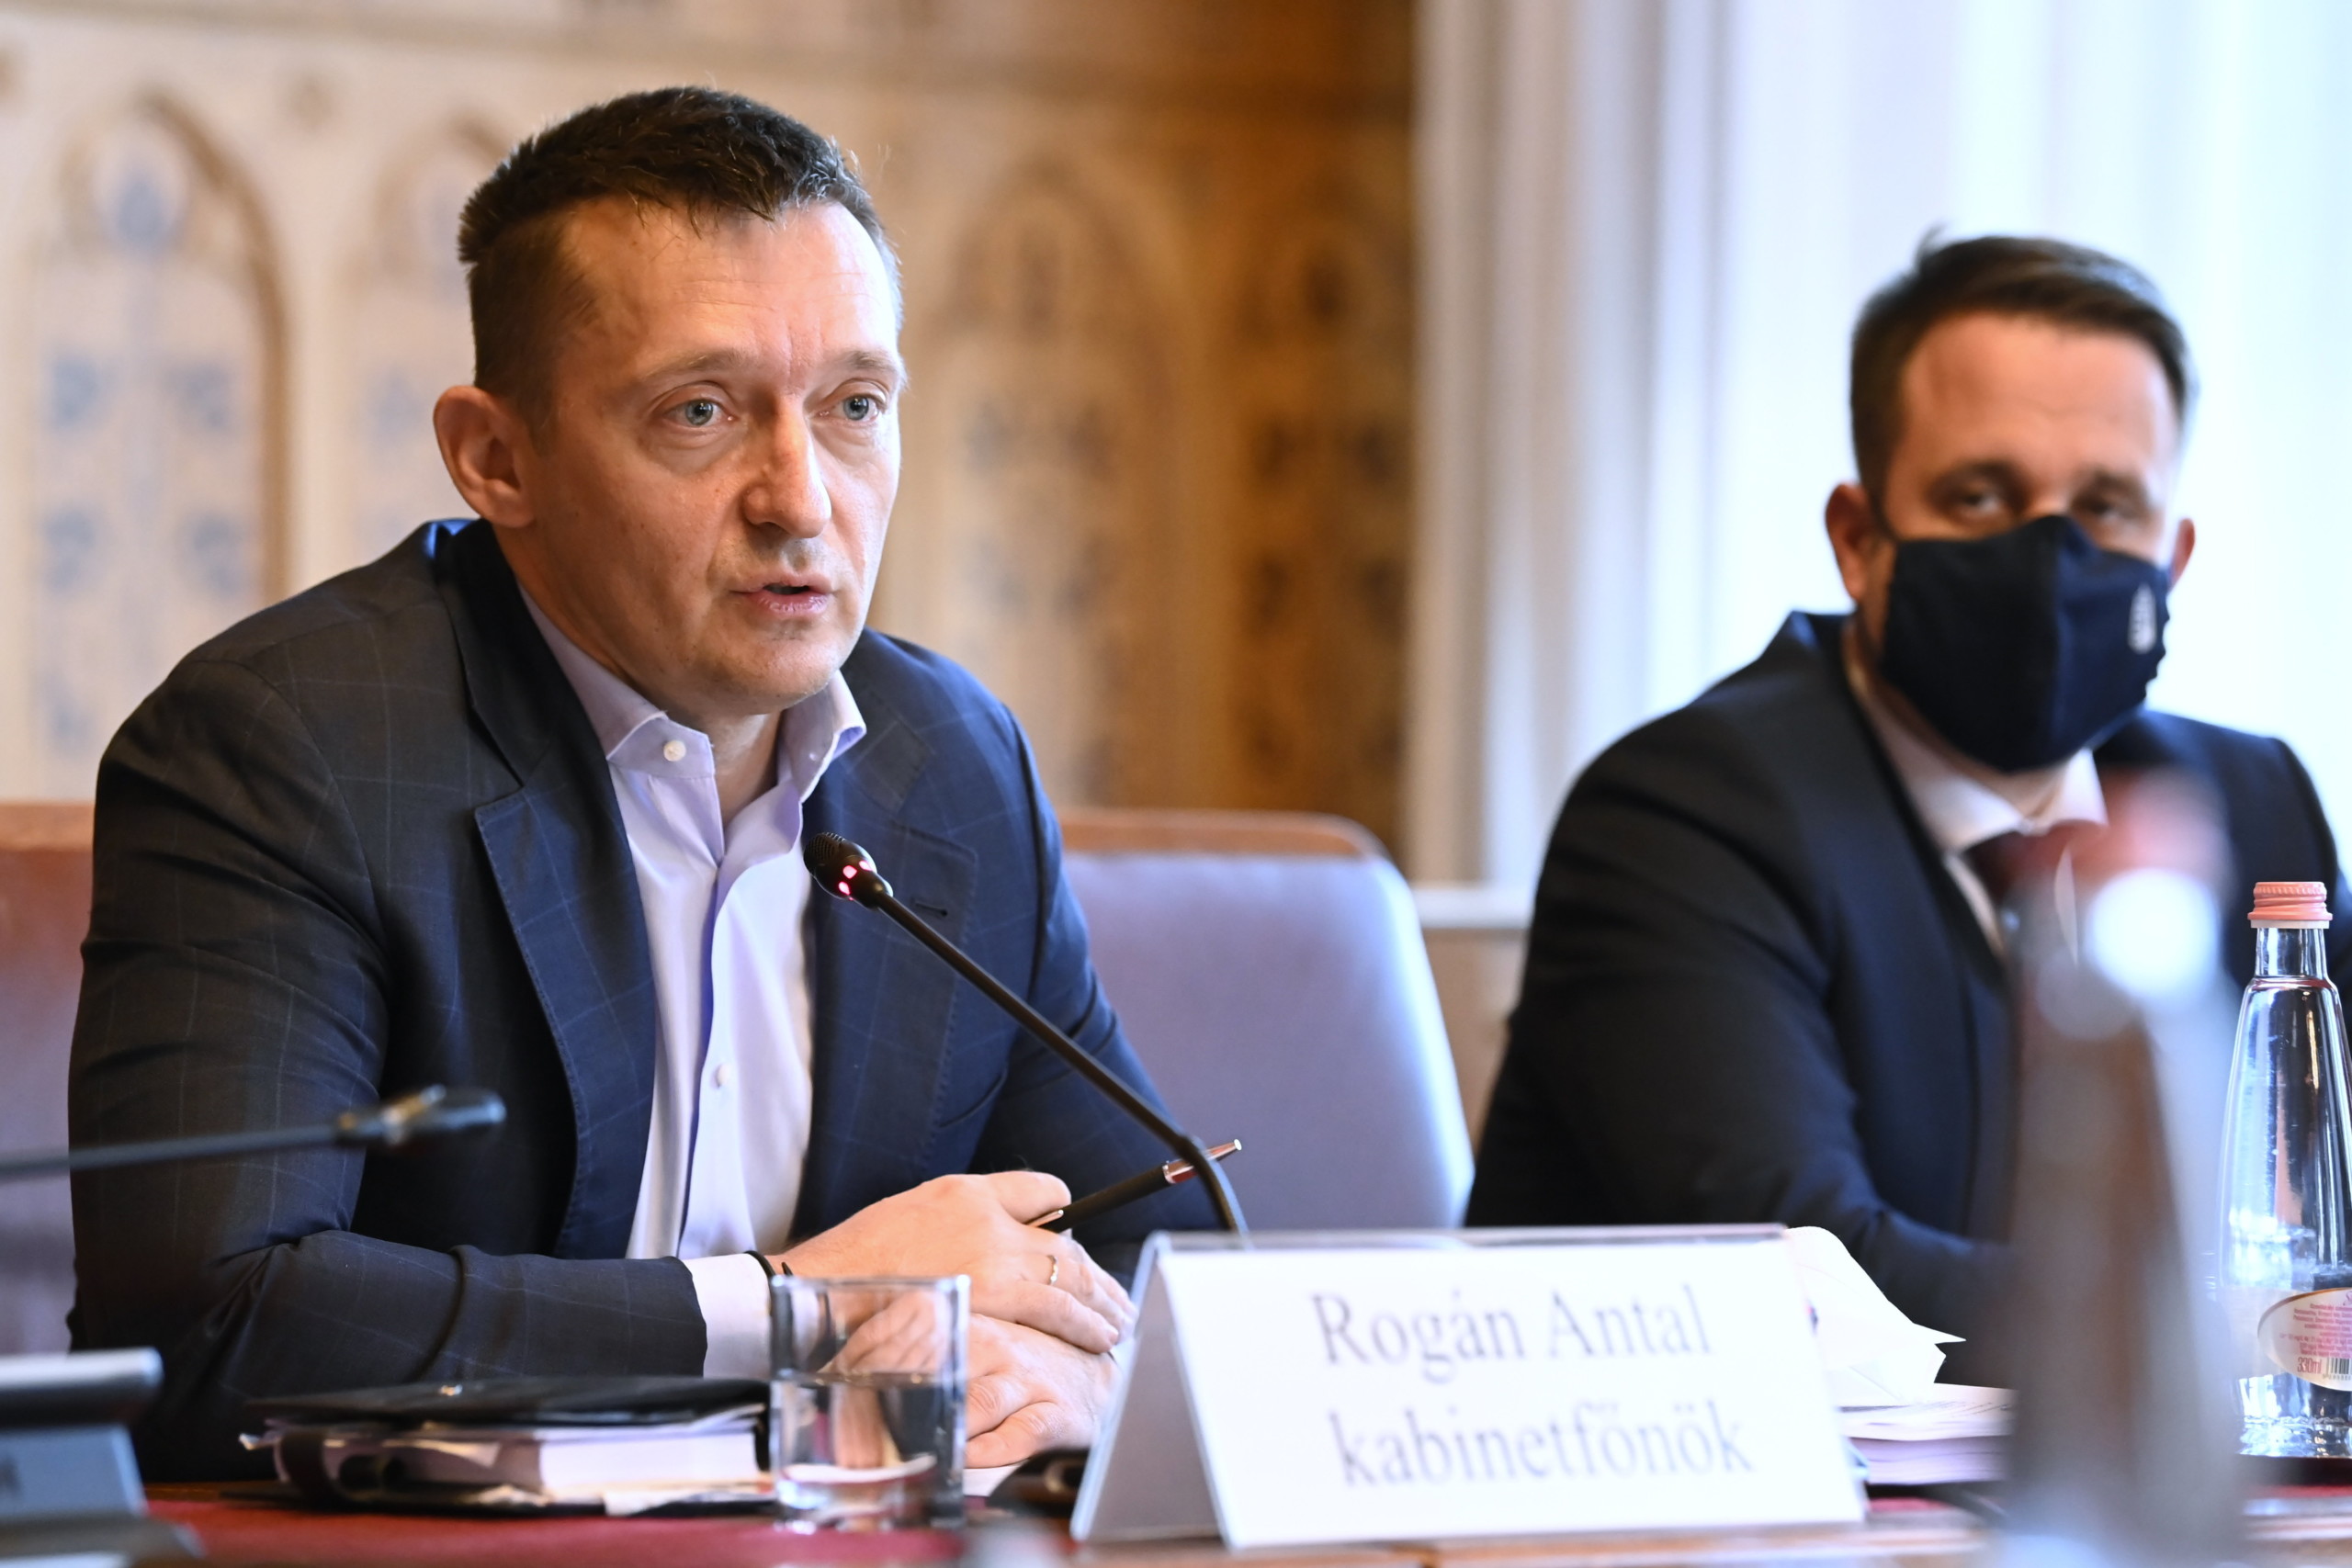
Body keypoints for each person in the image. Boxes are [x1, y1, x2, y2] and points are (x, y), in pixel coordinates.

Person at [67, 87, 1210, 1480]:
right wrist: (795, 1308)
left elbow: (1155, 1256)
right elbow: (213, 1321)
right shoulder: (291, 745)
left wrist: (1092, 1380)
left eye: (855, 405)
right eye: (700, 412)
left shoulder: (950, 762)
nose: (801, 499)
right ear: (496, 458)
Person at [1466, 235, 2352, 1370]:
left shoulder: (2245, 800)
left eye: (2104, 507)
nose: (2049, 558)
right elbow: (1812, 1270)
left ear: (2170, 559)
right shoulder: (1680, 815)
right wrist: (2251, 1335)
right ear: (1857, 538)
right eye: (1980, 497)